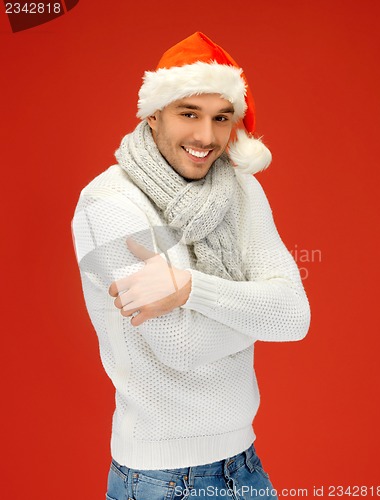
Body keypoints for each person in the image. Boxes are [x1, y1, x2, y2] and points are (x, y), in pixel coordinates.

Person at [72, 32, 311, 500]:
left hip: (244, 463)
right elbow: (182, 346)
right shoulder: (107, 203)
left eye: (221, 118)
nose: (206, 137)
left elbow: (295, 316)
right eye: (189, 114)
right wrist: (254, 309)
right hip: (160, 479)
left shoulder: (239, 190)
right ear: (154, 113)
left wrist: (187, 289)